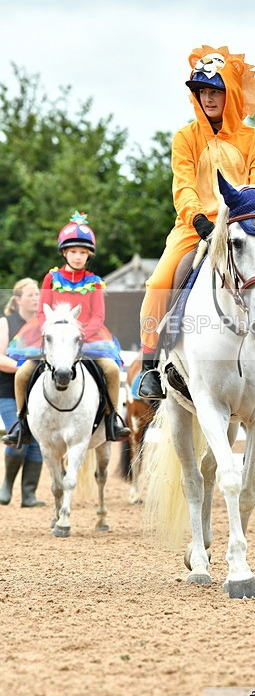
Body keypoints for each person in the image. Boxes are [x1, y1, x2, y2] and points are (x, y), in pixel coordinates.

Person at [138, 45, 255, 400]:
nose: (208, 98)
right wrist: (199, 219)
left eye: (215, 91)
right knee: (157, 283)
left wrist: (238, 219)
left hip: (245, 226)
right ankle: (150, 367)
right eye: (202, 91)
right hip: (193, 227)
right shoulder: (185, 138)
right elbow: (183, 185)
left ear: (230, 94)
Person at [2, 212, 130, 448]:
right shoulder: (51, 277)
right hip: (52, 336)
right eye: (73, 252)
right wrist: (51, 331)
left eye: (83, 252)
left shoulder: (94, 281)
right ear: (64, 253)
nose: (78, 256)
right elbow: (42, 312)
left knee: (111, 370)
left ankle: (112, 419)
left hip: (88, 337)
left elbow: (98, 315)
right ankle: (22, 424)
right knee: (22, 374)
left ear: (88, 254)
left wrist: (79, 335)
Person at [0, 279, 46, 506]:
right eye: (30, 294)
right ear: (17, 299)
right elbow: (0, 358)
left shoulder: (44, 324)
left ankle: (29, 494)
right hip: (8, 392)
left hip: (39, 395)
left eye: (37, 294)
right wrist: (25, 368)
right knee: (18, 437)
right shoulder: (6, 323)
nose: (36, 298)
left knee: (37, 442)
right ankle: (6, 485)